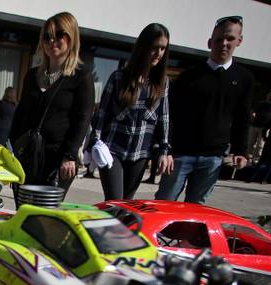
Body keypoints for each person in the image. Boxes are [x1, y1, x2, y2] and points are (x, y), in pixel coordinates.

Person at [155, 16, 253, 203]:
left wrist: (241, 150)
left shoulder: (243, 78)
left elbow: (243, 117)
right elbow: (170, 114)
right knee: (164, 201)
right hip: (181, 154)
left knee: (196, 207)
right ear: (210, 42)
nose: (224, 44)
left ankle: (185, 234)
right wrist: (165, 149)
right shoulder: (190, 76)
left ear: (239, 41)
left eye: (230, 39)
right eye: (218, 40)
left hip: (213, 157)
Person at [9, 12, 95, 195]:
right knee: (23, 213)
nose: (51, 41)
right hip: (27, 156)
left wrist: (70, 156)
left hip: (58, 160)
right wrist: (11, 147)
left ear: (71, 38)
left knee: (44, 216)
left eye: (59, 36)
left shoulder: (81, 76)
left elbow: (82, 119)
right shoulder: (32, 76)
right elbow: (21, 113)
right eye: (47, 37)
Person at [91, 23, 173, 200]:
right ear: (143, 47)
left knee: (127, 205)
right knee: (114, 202)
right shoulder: (119, 77)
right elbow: (102, 115)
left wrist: (163, 151)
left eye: (163, 48)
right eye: (154, 48)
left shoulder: (162, 83)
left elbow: (163, 120)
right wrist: (94, 144)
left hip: (140, 153)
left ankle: (119, 228)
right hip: (113, 150)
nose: (158, 53)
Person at [249, 90, 271, 162]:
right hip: (255, 125)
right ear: (267, 95)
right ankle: (247, 157)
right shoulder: (261, 103)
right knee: (250, 142)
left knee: (260, 145)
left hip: (265, 128)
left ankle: (255, 159)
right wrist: (252, 116)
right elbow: (253, 111)